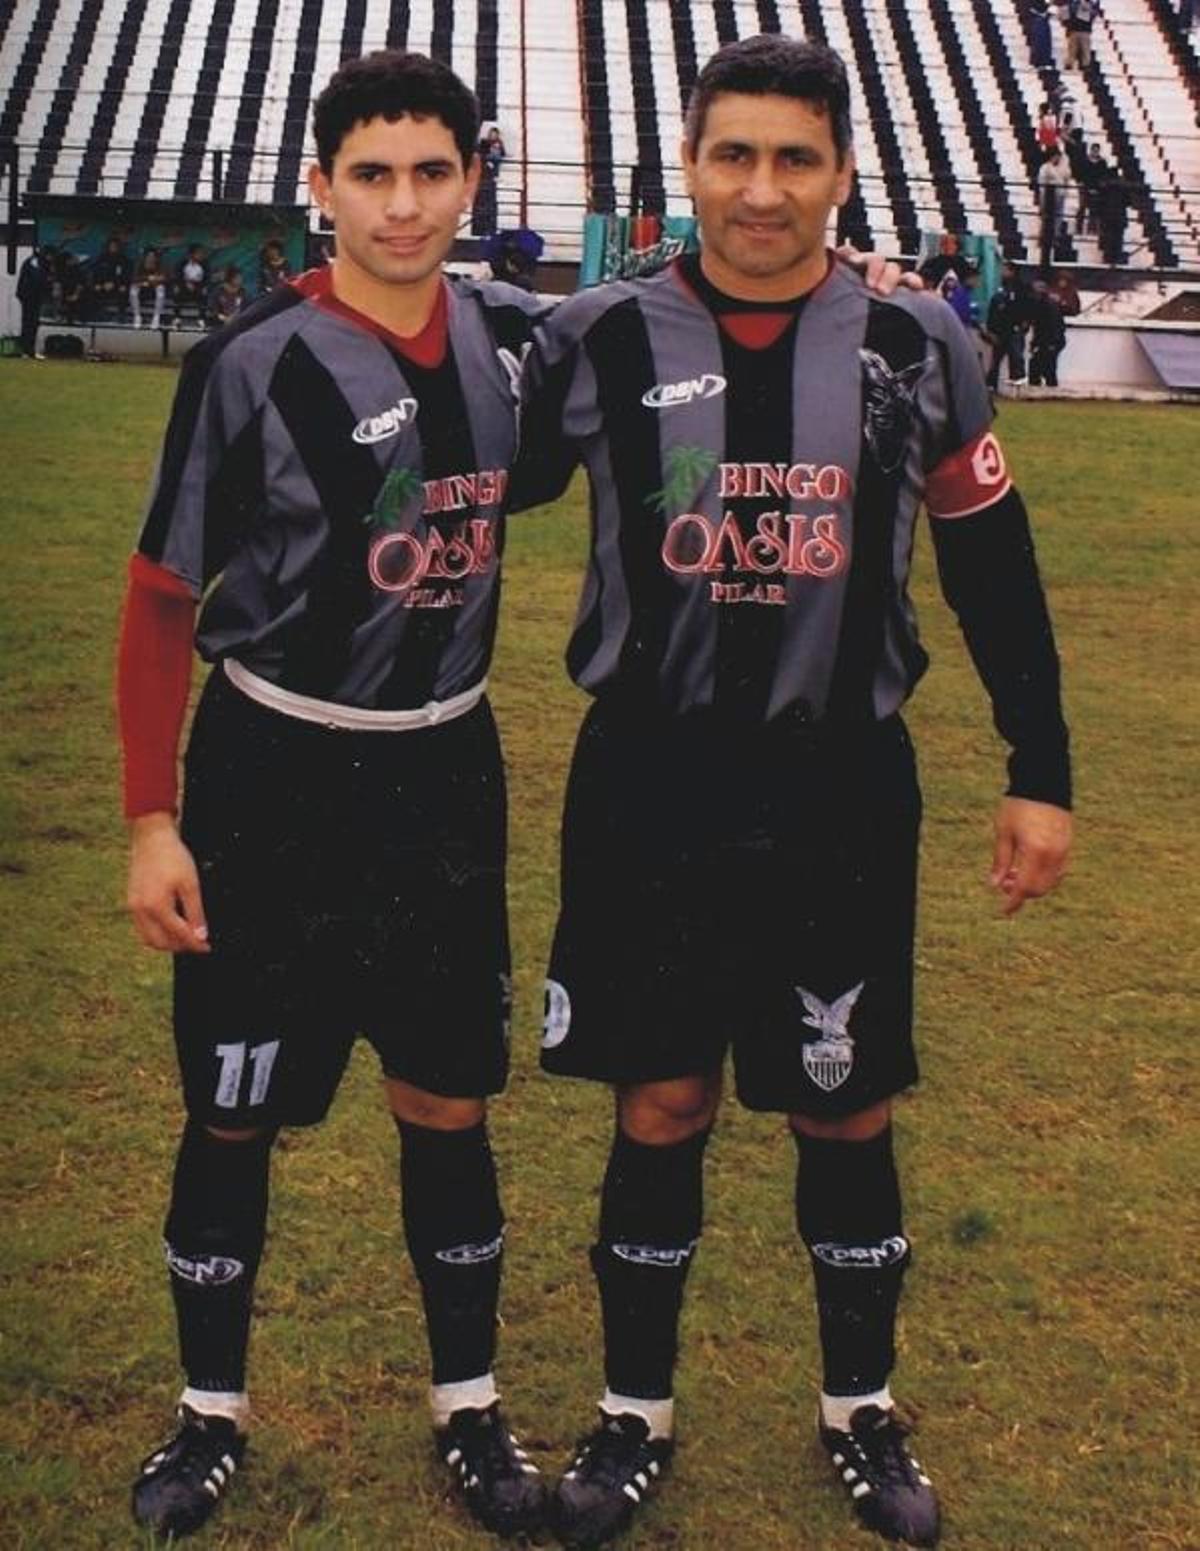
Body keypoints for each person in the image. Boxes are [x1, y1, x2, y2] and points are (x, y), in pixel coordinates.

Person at [514, 34, 1071, 1549]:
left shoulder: (917, 343)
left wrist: (1041, 771)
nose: (762, 191)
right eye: (735, 155)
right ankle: (634, 1412)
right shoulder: (594, 341)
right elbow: (463, 488)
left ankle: (860, 1409)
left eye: (795, 159)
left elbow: (994, 567)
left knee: (846, 1099)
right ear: (689, 168)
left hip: (840, 781)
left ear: (840, 173)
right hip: (650, 781)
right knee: (661, 1095)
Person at [118, 50, 554, 1542]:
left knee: (447, 1096)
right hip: (274, 773)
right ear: (320, 188)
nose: (403, 205)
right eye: (371, 175)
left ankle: (471, 1407)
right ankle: (209, 1414)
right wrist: (153, 821)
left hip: (443, 769)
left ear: (472, 182)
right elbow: (161, 599)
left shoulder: (508, 341)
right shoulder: (248, 364)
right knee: (234, 1105)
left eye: (432, 173)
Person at [986, 260, 1033, 388]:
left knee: (1015, 356)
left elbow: (1027, 308)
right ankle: (991, 384)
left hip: (1014, 329)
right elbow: (993, 310)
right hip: (1000, 330)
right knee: (996, 359)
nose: (1002, 272)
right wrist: (991, 329)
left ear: (1012, 272)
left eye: (1005, 270)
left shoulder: (1022, 289)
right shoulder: (1000, 289)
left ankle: (1017, 381)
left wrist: (1024, 323)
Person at [1037, 147, 1071, 272]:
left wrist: (1065, 190)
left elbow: (1067, 179)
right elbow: (1041, 183)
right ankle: (1043, 239)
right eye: (1056, 156)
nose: (1057, 159)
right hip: (1048, 196)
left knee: (1058, 218)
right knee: (1046, 218)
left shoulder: (1063, 168)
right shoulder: (1045, 168)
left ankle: (1056, 237)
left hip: (1060, 195)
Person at [16, 245, 51, 357]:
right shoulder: (34, 262)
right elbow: (37, 279)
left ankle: (28, 349)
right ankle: (26, 350)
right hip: (29, 296)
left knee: (31, 323)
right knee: (29, 323)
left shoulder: (36, 261)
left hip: (31, 296)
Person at [90, 236, 132, 318]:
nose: (113, 248)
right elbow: (96, 272)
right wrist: (98, 284)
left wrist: (116, 284)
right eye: (111, 246)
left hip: (118, 285)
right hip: (103, 284)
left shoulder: (124, 260)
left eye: (115, 246)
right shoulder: (102, 258)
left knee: (123, 291)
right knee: (94, 290)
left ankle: (121, 314)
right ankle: (98, 313)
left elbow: (126, 275)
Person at [131, 247, 168, 328]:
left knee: (161, 289)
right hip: (143, 290)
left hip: (154, 289)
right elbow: (134, 278)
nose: (151, 259)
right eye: (149, 256)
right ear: (145, 257)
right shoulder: (140, 264)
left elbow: (164, 278)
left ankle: (156, 317)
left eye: (153, 257)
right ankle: (137, 316)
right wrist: (145, 280)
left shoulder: (160, 264)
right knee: (133, 290)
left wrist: (155, 280)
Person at [173, 245, 209, 322]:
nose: (201, 255)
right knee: (177, 291)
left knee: (204, 293)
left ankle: (201, 318)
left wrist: (203, 286)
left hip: (198, 285)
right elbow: (178, 276)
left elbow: (207, 277)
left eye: (201, 253)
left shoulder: (204, 264)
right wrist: (185, 283)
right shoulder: (183, 263)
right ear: (192, 254)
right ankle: (177, 317)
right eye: (198, 253)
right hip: (184, 285)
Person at [1063, 0, 1100, 71]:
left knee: (1085, 49)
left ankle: (1085, 65)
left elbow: (1093, 14)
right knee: (1072, 49)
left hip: (1085, 30)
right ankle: (1069, 64)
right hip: (1073, 30)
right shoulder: (1073, 4)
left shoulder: (1090, 4)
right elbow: (1068, 15)